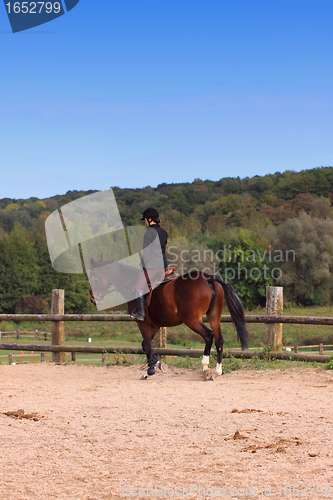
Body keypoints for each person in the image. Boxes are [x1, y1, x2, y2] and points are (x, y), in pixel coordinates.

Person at [131, 208, 168, 321]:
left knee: (138, 287)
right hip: (164, 266)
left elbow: (146, 254)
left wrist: (142, 267)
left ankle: (141, 313)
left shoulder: (149, 233)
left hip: (153, 267)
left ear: (150, 219)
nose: (145, 223)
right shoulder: (164, 232)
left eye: (146, 220)